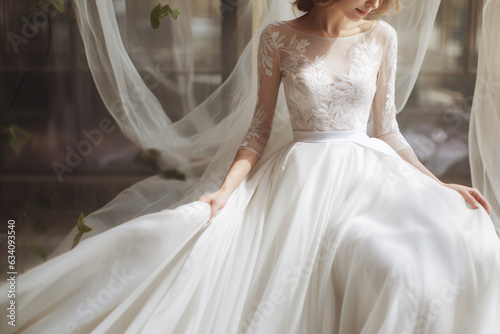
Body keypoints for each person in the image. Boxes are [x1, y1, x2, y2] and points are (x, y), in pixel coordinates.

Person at [1, 0, 499, 333]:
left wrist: (438, 183)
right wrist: (224, 191)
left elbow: (388, 128)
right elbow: (259, 129)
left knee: (452, 238)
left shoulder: (382, 37)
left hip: (371, 170)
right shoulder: (278, 39)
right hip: (301, 175)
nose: (375, 2)